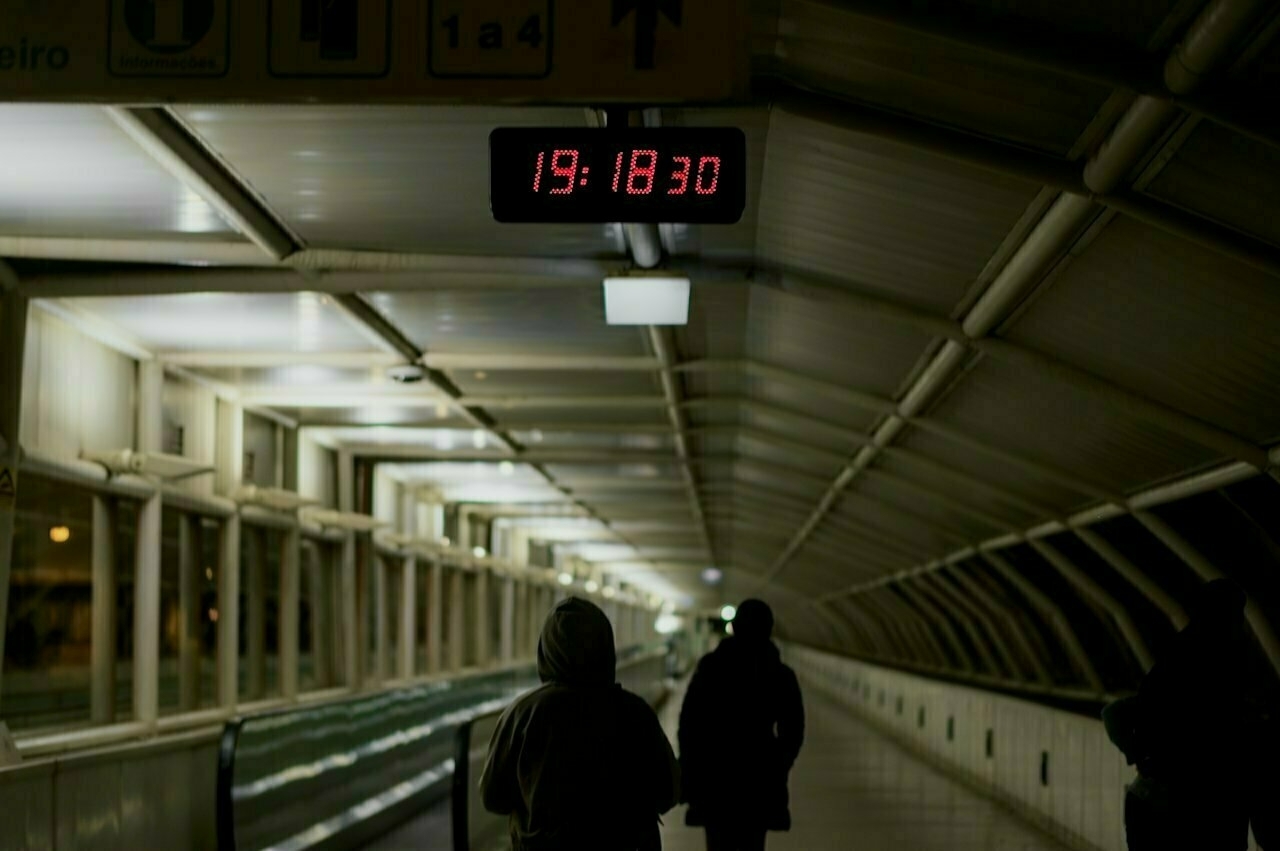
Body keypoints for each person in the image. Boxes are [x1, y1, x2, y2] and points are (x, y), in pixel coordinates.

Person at [479, 596, 679, 851]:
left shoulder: (523, 713)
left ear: (545, 649)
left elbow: (493, 797)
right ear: (606, 646)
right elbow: (667, 791)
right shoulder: (635, 711)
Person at [1101, 579, 1273, 850]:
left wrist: (1140, 755)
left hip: (1152, 806)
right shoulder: (1217, 670)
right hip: (1195, 816)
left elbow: (1114, 712)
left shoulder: (1175, 661)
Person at [678, 599, 805, 851]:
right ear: (769, 629)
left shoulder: (710, 668)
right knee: (753, 843)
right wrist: (778, 764)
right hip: (758, 781)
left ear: (734, 627)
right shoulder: (780, 675)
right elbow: (794, 731)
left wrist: (692, 767)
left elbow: (690, 724)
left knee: (716, 843)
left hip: (715, 779)